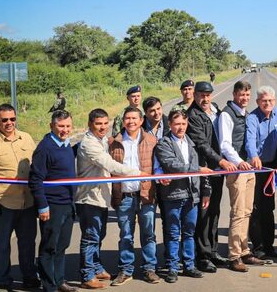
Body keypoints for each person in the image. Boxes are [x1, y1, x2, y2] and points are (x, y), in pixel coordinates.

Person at [75, 109, 143, 289]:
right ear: (90, 124)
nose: (103, 127)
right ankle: (87, 274)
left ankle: (96, 268)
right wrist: (138, 173)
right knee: (90, 237)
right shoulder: (89, 144)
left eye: (106, 123)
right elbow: (110, 164)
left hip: (101, 197)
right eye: (98, 124)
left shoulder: (103, 139)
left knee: (99, 235)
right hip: (89, 198)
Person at [155, 109, 213, 283]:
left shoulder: (192, 143)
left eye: (183, 123)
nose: (181, 127)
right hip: (173, 196)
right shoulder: (163, 143)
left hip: (192, 196)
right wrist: (197, 170)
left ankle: (189, 265)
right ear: (170, 125)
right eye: (177, 124)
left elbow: (203, 168)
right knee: (173, 233)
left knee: (189, 232)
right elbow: (173, 165)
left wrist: (205, 191)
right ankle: (172, 267)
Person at [0, 104, 40, 291]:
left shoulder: (25, 138)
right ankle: (3, 280)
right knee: (1, 246)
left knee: (27, 243)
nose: (9, 123)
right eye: (4, 120)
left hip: (28, 202)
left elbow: (37, 166)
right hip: (3, 203)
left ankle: (29, 277)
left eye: (12, 119)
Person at [186, 81, 235, 273]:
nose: (205, 99)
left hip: (218, 169)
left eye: (208, 95)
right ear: (195, 95)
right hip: (205, 168)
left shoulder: (214, 109)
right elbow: (202, 144)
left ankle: (213, 250)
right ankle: (203, 256)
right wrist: (221, 161)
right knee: (204, 213)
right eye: (201, 95)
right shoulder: (193, 115)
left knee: (215, 211)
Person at [107, 107, 160, 286]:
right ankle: (126, 270)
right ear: (123, 121)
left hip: (146, 195)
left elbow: (158, 167)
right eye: (127, 118)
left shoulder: (152, 140)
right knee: (126, 234)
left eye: (134, 118)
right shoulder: (114, 143)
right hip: (124, 196)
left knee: (148, 234)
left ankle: (149, 269)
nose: (131, 121)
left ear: (141, 121)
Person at [219, 80, 266, 272]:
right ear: (234, 95)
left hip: (249, 170)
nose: (244, 98)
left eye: (247, 95)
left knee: (247, 211)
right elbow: (225, 144)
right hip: (237, 170)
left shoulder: (246, 114)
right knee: (238, 213)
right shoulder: (226, 114)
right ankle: (234, 255)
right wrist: (239, 162)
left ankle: (245, 250)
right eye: (241, 94)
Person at [29, 110, 76, 292]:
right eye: (61, 126)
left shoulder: (65, 144)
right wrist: (42, 205)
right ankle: (49, 285)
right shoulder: (45, 147)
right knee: (49, 246)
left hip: (67, 203)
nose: (65, 130)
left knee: (62, 245)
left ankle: (59, 280)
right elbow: (35, 179)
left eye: (68, 126)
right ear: (51, 126)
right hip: (52, 205)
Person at [246, 86, 277, 259]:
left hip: (272, 168)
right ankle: (258, 246)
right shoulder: (252, 117)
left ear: (274, 101)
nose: (267, 103)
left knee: (269, 208)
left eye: (270, 100)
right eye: (263, 100)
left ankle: (269, 246)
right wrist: (253, 156)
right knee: (256, 208)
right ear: (258, 102)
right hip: (256, 168)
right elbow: (250, 140)